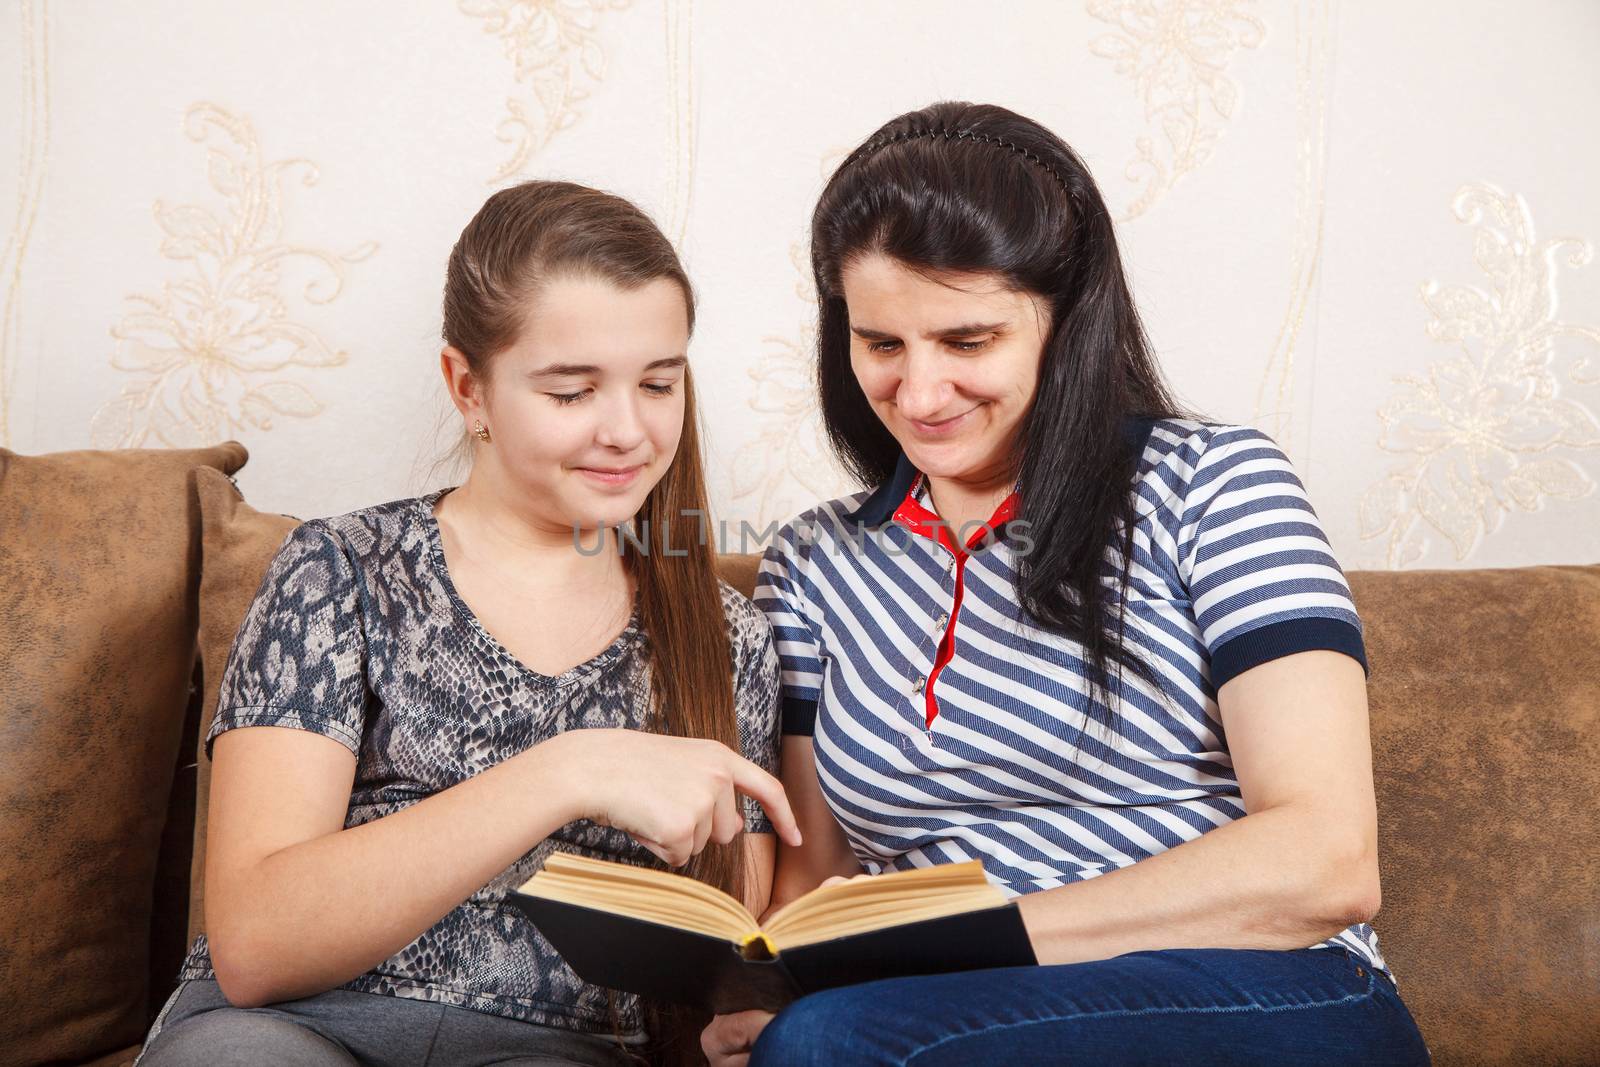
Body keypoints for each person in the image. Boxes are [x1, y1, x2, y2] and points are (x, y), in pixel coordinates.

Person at [701, 101, 1432, 1066]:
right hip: (943, 1017)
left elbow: (1327, 859)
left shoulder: (1215, 485)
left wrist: (971, 941)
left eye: (967, 342)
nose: (918, 395)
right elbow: (816, 878)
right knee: (814, 1037)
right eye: (882, 344)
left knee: (841, 1042)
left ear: (1066, 321)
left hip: (1267, 988)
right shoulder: (814, 563)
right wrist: (762, 986)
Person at [135, 179, 800, 1067]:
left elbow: (724, 949)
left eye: (657, 384)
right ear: (468, 387)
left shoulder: (729, 641)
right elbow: (255, 946)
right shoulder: (340, 571)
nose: (628, 430)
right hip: (292, 1026)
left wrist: (738, 1018)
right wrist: (571, 769)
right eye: (572, 392)